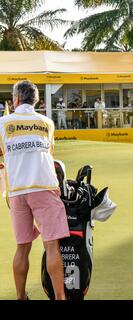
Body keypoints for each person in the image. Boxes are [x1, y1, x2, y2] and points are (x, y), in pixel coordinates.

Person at [0, 80, 69, 300]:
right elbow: (50, 154)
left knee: (22, 247)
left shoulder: (3, 122)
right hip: (44, 187)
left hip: (18, 191)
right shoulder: (47, 122)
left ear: (16, 99)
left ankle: (21, 297)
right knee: (51, 245)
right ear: (35, 100)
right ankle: (60, 297)